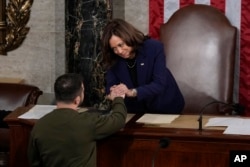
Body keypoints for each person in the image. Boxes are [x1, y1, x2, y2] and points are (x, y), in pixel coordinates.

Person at [27, 73, 127, 167]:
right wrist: (118, 98)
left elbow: (34, 162)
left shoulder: (40, 125)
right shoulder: (88, 122)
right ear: (77, 100)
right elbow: (118, 120)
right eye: (82, 90)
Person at [101, 18, 185, 114]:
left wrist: (131, 92)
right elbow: (110, 86)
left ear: (129, 37)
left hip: (165, 105)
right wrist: (114, 92)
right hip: (135, 111)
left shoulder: (153, 48)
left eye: (121, 45)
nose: (119, 51)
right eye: (114, 48)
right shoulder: (113, 58)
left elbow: (159, 84)